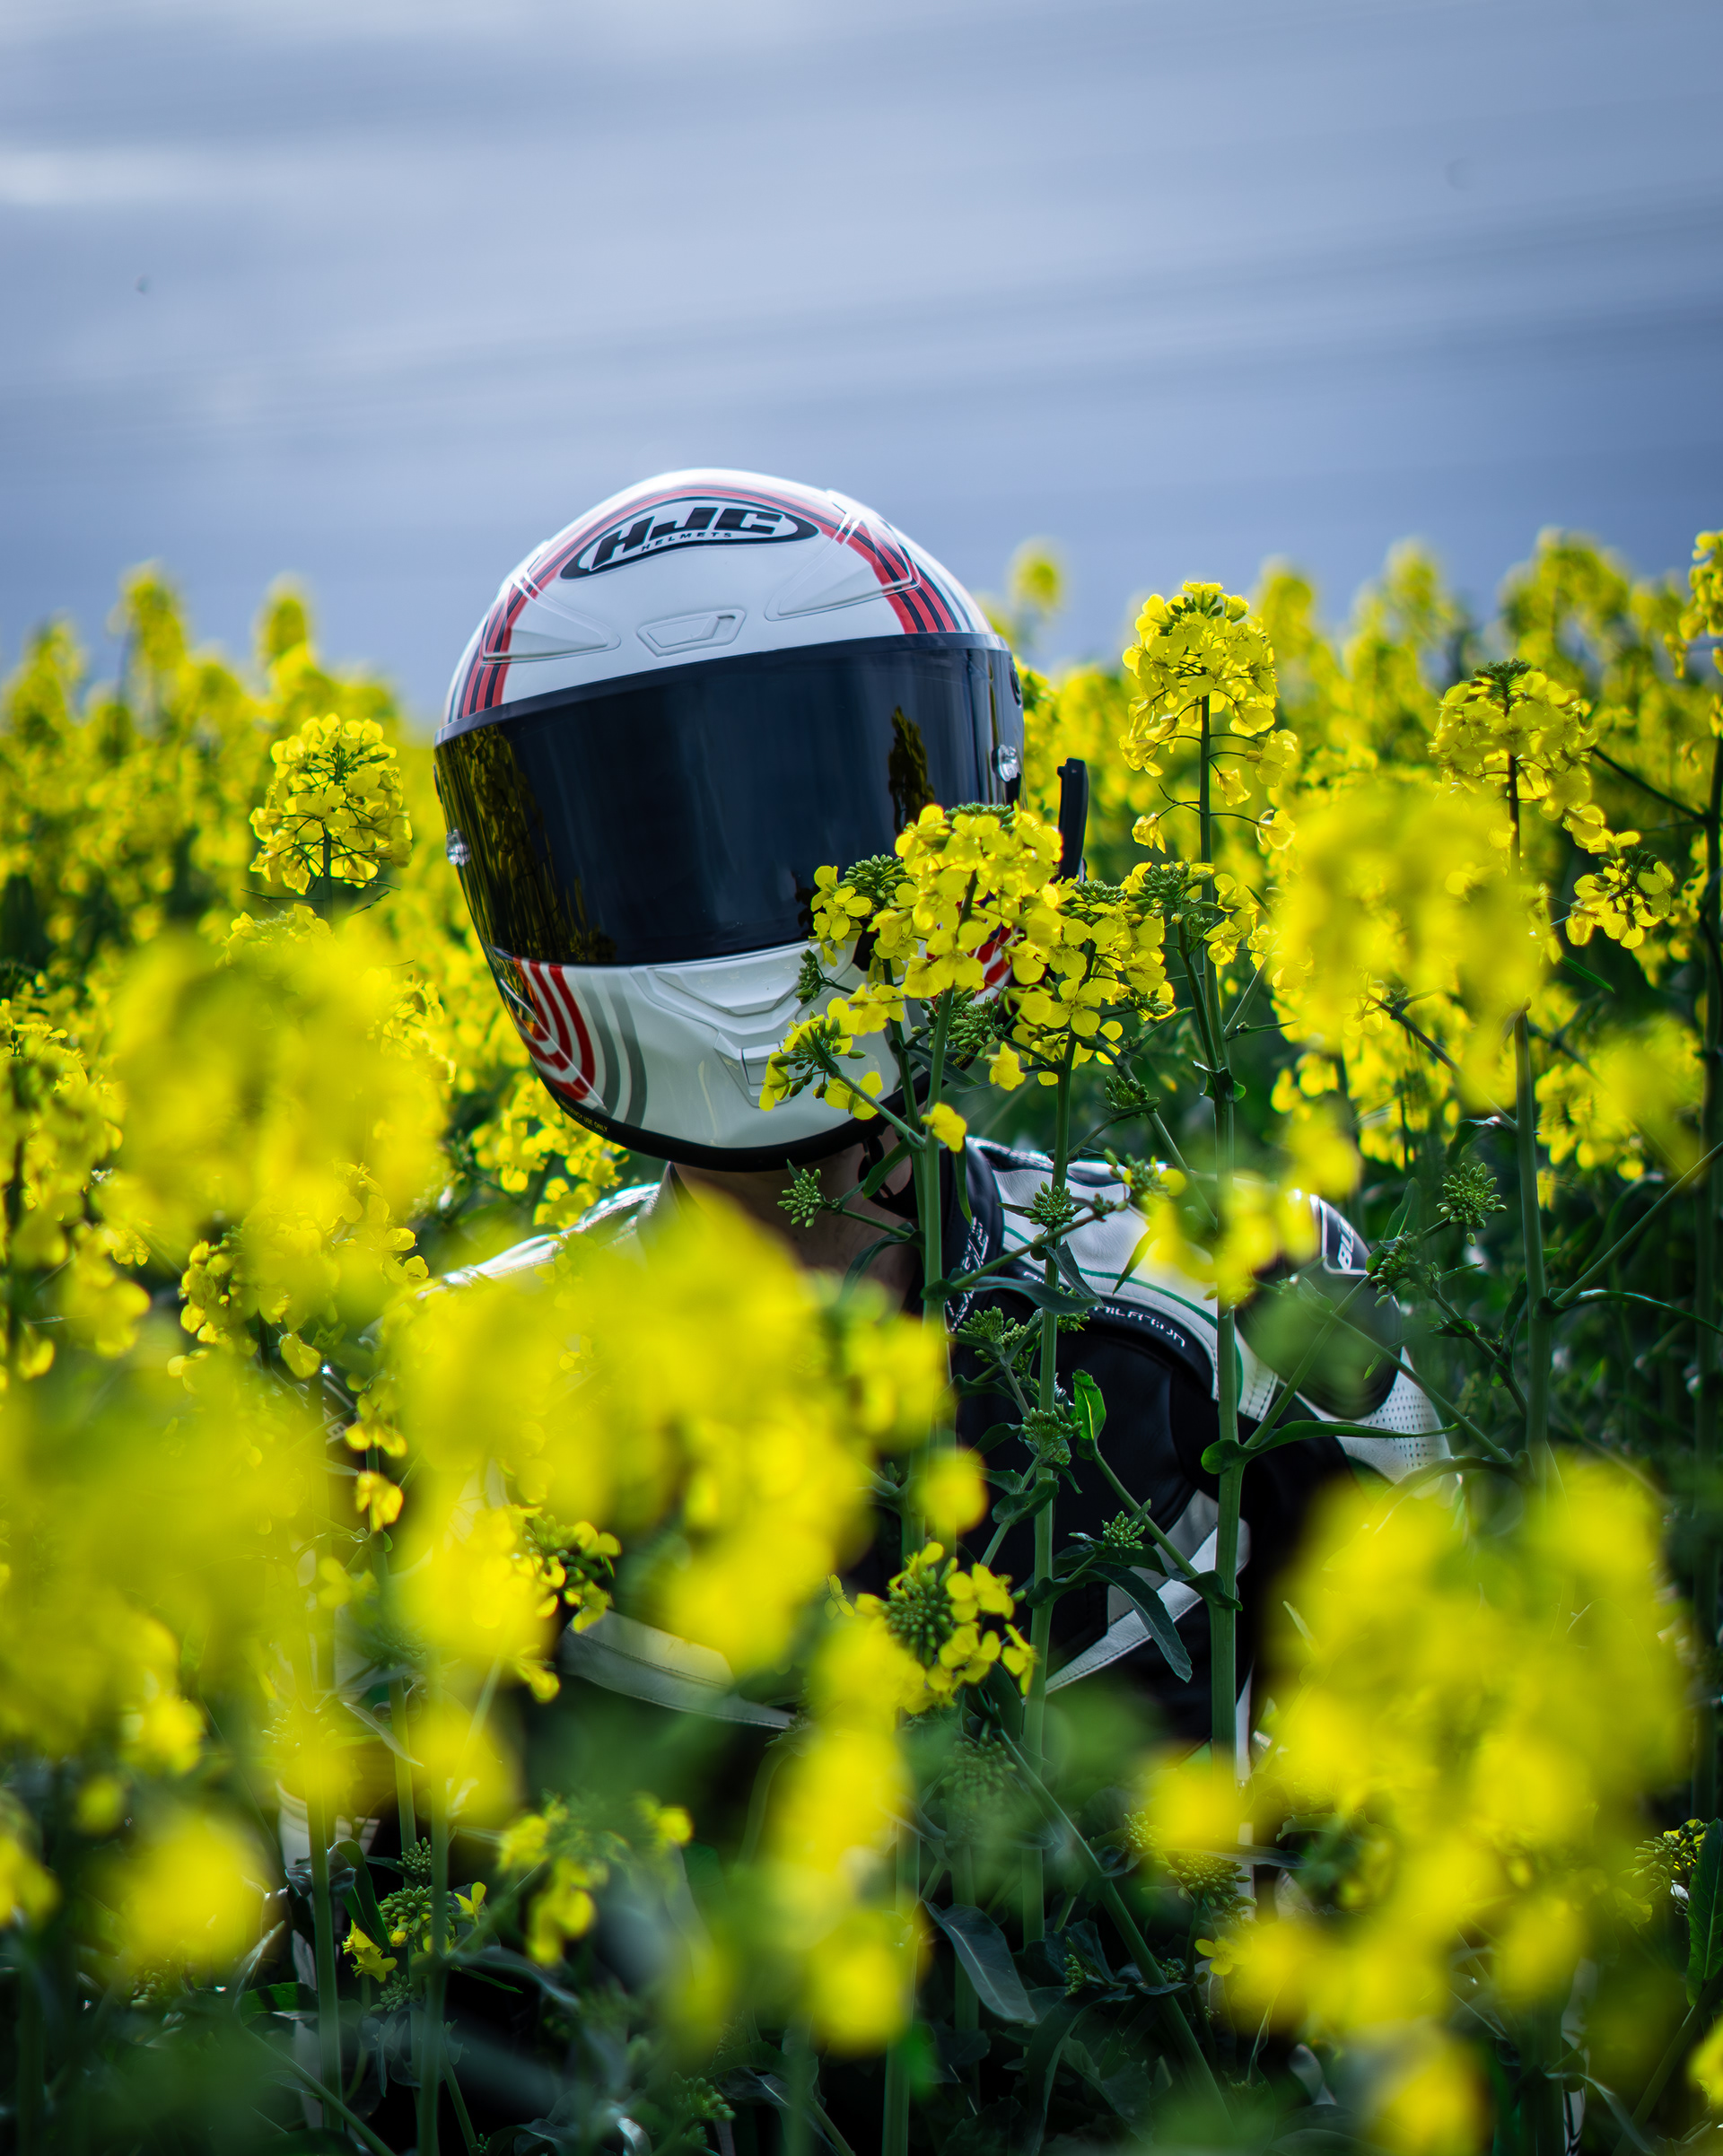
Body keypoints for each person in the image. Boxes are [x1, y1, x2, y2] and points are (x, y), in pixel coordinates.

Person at [435, 467, 1445, 1745]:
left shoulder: (1245, 1293)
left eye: (820, 818)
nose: (768, 892)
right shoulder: (456, 1386)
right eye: (659, 843)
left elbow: (1457, 1751)